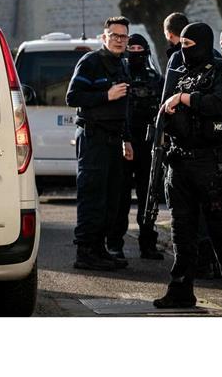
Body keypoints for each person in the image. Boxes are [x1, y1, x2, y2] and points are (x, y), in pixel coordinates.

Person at [152, 22, 222, 312]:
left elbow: (220, 104)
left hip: (211, 164)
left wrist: (183, 99)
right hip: (179, 163)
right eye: (181, 44)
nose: (184, 50)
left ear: (204, 44)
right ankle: (181, 292)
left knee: (221, 231)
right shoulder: (182, 75)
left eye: (190, 44)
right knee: (182, 232)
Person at [67, 16, 136, 271]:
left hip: (114, 139)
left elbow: (124, 107)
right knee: (92, 195)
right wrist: (105, 95)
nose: (119, 40)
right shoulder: (91, 62)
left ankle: (99, 249)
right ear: (104, 37)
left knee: (110, 198)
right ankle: (85, 252)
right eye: (114, 36)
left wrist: (127, 139)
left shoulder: (122, 65)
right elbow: (72, 96)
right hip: (93, 138)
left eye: (124, 36)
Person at [106, 33, 165, 260]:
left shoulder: (155, 79)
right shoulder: (119, 76)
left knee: (148, 196)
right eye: (133, 48)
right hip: (124, 143)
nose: (136, 52)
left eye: (140, 48)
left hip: (149, 145)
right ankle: (114, 243)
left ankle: (148, 243)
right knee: (119, 198)